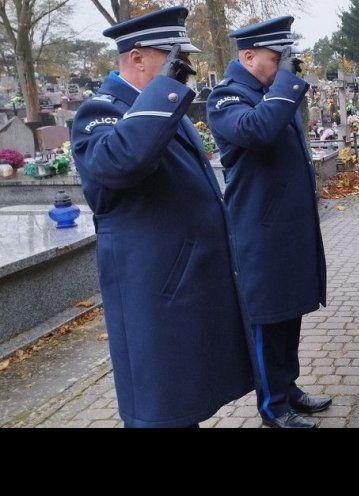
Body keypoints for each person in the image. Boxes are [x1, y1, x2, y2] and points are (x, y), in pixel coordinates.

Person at [70, 7, 253, 428]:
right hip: (154, 291)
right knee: (161, 409)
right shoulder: (100, 110)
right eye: (175, 59)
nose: (184, 69)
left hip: (185, 281)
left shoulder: (159, 104)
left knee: (185, 399)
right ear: (136, 57)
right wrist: (165, 91)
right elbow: (117, 163)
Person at [207, 16, 330, 429]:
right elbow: (257, 131)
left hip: (287, 228)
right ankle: (272, 407)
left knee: (289, 314)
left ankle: (287, 388)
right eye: (276, 58)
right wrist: (286, 84)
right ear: (247, 56)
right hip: (258, 232)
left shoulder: (269, 92)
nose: (283, 66)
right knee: (267, 320)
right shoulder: (227, 97)